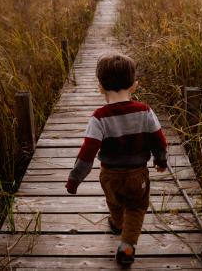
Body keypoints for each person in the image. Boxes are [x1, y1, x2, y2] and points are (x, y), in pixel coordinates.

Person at [65, 52, 168, 266]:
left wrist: (75, 179)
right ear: (134, 85)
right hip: (137, 174)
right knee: (136, 207)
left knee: (114, 200)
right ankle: (127, 246)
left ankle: (117, 222)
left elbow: (87, 152)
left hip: (109, 175)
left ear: (100, 87)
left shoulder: (99, 117)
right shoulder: (145, 111)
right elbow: (159, 140)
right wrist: (160, 160)